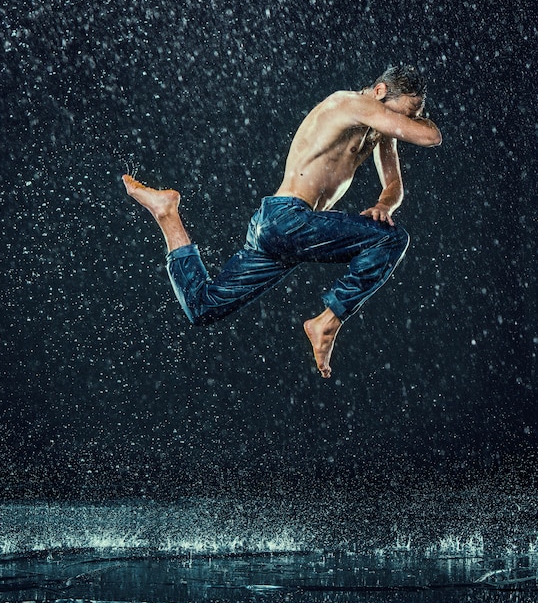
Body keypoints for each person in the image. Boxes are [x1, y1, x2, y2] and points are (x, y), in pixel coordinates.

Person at [123, 65, 442, 378]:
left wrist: (382, 205)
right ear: (381, 91)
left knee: (204, 307)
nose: (407, 122)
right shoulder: (352, 102)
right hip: (289, 220)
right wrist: (414, 120)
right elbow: (430, 136)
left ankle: (166, 212)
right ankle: (326, 323)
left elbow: (394, 186)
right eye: (406, 113)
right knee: (391, 239)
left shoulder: (379, 127)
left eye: (410, 117)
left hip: (278, 229)